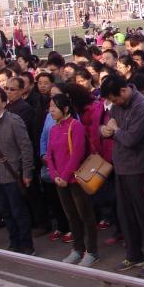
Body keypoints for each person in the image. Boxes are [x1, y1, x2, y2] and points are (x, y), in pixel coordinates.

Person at [100, 74, 144, 276]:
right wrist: (105, 130)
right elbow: (110, 126)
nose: (114, 103)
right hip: (121, 167)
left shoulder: (142, 107)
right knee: (125, 216)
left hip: (137, 169)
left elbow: (131, 139)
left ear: (124, 90)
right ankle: (134, 254)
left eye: (115, 99)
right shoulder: (117, 106)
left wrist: (115, 131)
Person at [0, 87, 35, 254]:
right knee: (5, 212)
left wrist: (27, 172)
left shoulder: (13, 121)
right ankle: (14, 242)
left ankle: (27, 244)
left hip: (12, 174)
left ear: (4, 103)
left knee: (18, 211)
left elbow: (26, 147)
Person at [46, 93, 99, 267]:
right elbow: (49, 155)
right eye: (50, 107)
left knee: (86, 215)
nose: (51, 110)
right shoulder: (53, 129)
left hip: (76, 180)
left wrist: (65, 176)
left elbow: (77, 153)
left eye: (54, 107)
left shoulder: (75, 126)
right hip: (60, 181)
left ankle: (92, 251)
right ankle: (77, 248)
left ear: (66, 108)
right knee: (71, 215)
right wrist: (54, 175)